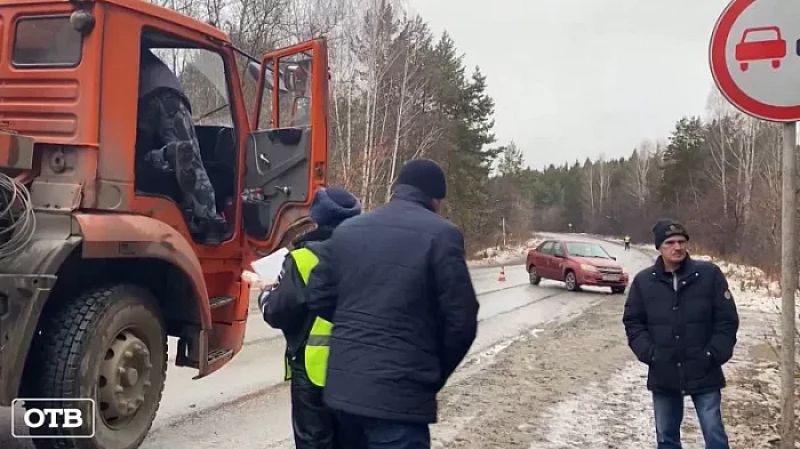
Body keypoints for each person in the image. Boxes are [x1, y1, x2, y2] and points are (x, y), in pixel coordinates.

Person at [304, 158, 480, 449]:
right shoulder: (443, 235)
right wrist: (433, 372)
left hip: (343, 393)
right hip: (399, 398)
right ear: (436, 199)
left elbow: (317, 295)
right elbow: (462, 320)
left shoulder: (349, 230)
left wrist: (355, 327)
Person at [258, 186, 362, 449]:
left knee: (314, 442)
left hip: (315, 370)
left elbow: (278, 312)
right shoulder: (369, 255)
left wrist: (266, 293)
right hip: (361, 370)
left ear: (317, 218)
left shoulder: (304, 258)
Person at [622, 219, 739, 449]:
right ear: (659, 247)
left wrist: (713, 355)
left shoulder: (709, 275)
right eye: (670, 242)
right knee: (666, 438)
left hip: (704, 370)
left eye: (681, 241)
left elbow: (727, 321)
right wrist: (651, 354)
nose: (677, 247)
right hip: (664, 372)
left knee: (715, 436)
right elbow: (633, 323)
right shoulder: (644, 282)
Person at [136, 47, 227, 243]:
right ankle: (207, 218)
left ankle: (165, 155)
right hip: (167, 94)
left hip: (138, 98)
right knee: (191, 157)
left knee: (136, 158)